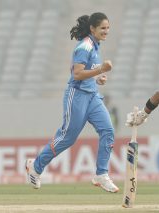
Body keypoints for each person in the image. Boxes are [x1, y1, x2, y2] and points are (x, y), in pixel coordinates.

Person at [25, 12, 119, 193]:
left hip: (92, 95)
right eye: (103, 28)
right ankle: (35, 167)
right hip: (76, 96)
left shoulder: (95, 45)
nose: (106, 31)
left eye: (108, 28)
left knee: (108, 130)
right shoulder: (84, 46)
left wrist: (97, 79)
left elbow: (87, 72)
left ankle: (101, 174)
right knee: (67, 138)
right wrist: (101, 69)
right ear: (92, 28)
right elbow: (77, 74)